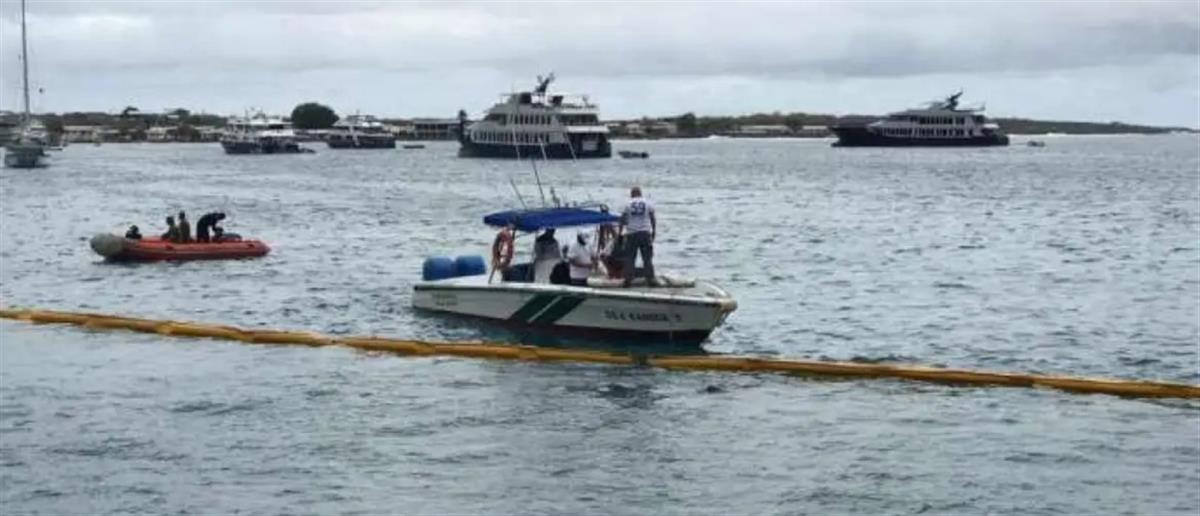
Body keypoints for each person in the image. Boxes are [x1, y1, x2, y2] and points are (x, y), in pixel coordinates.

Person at [619, 186, 657, 287]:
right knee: (647, 257)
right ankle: (650, 279)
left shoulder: (627, 204)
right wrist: (654, 231)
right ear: (640, 193)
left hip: (631, 233)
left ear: (632, 194)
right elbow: (652, 217)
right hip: (645, 233)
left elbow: (622, 219)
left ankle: (628, 280)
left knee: (630, 258)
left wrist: (620, 232)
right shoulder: (647, 203)